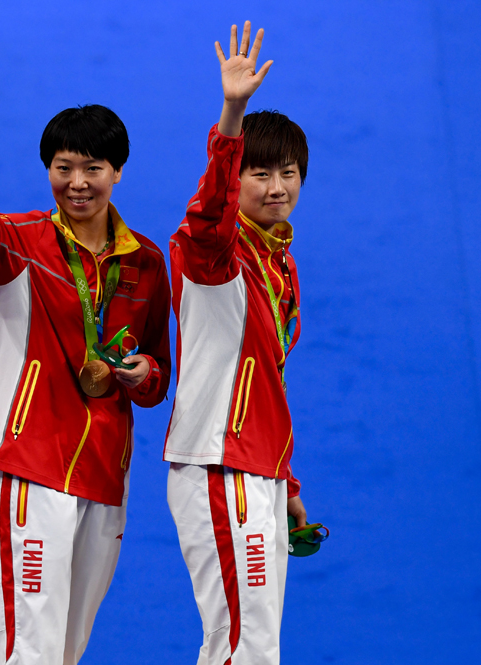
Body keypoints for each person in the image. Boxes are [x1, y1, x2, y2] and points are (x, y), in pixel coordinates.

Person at [0, 56, 172, 664]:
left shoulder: (145, 264)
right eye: (63, 168)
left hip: (107, 471)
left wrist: (142, 376)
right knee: (26, 647)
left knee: (66, 649)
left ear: (118, 172)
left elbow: (158, 373)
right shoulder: (21, 241)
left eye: (93, 168)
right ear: (48, 170)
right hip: (33, 463)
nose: (78, 182)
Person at [163, 22, 310, 665]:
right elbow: (206, 212)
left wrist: (287, 479)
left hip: (259, 468)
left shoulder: (280, 261)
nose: (276, 186)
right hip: (219, 463)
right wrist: (232, 113)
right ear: (236, 179)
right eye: (259, 173)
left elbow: (262, 378)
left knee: (257, 647)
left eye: (288, 172)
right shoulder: (212, 250)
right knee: (241, 647)